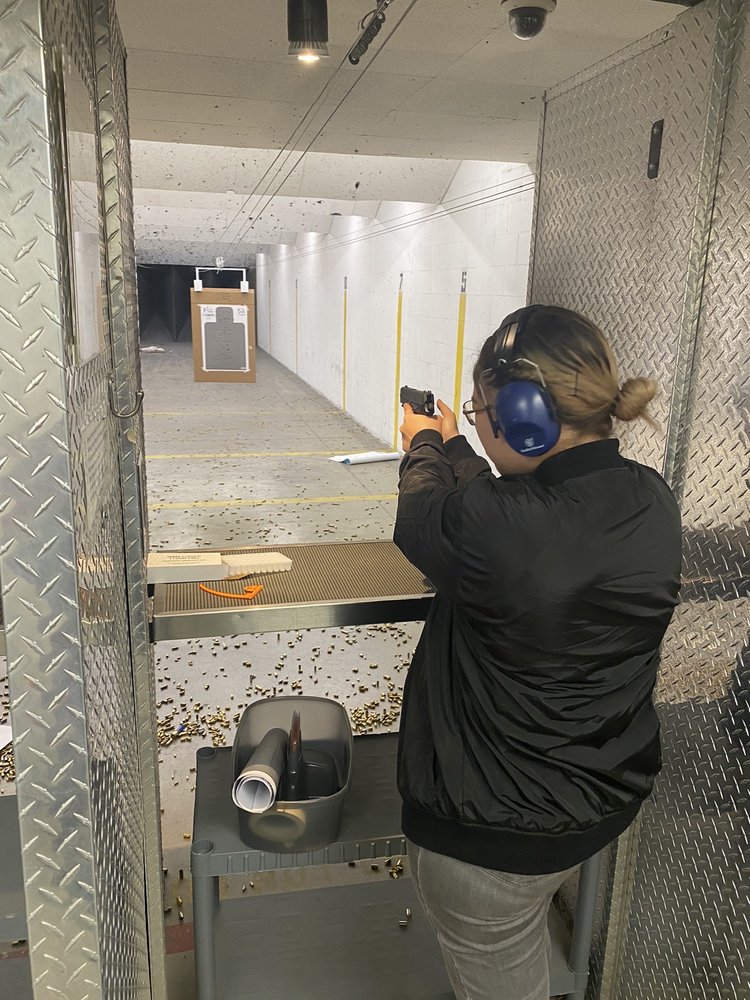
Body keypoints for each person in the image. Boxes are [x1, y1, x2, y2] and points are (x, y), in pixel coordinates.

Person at [393, 305, 682, 1000]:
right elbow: (507, 509)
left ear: (524, 417)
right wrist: (458, 443)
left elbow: (423, 516)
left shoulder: (501, 528)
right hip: (597, 801)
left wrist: (422, 443)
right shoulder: (649, 496)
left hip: (490, 841)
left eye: (482, 412)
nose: (479, 427)